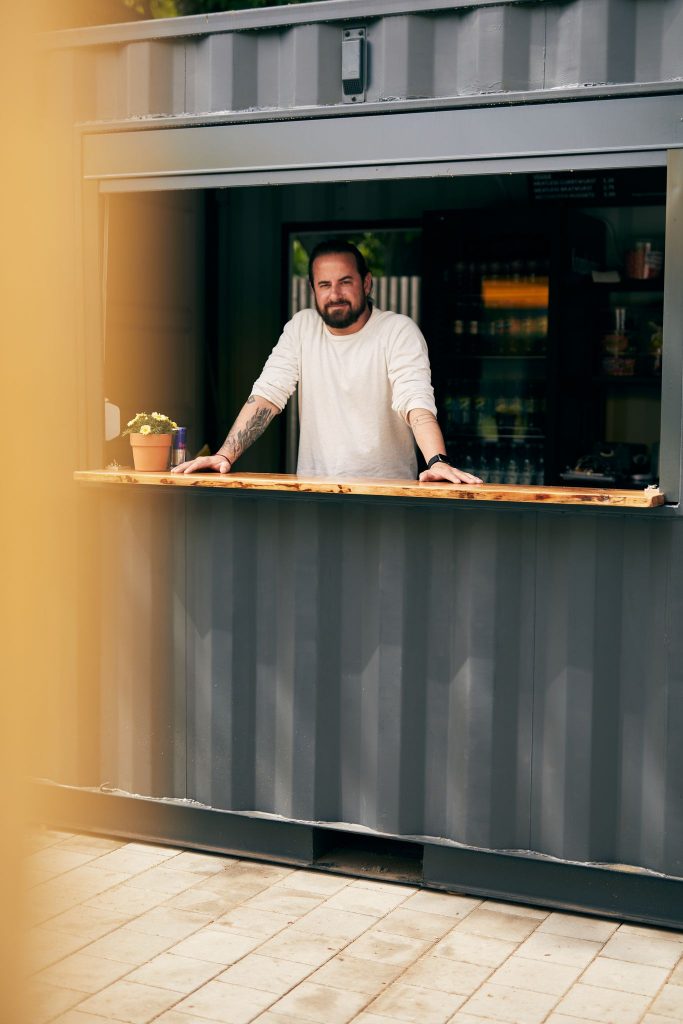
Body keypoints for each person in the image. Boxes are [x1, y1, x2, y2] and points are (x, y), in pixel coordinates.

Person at [173, 240, 482, 484]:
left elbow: (416, 403)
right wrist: (225, 455)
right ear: (313, 290)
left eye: (345, 282)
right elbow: (268, 393)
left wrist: (437, 461)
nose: (335, 294)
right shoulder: (302, 327)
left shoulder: (396, 330)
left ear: (367, 283)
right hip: (315, 494)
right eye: (324, 285)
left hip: (387, 495)